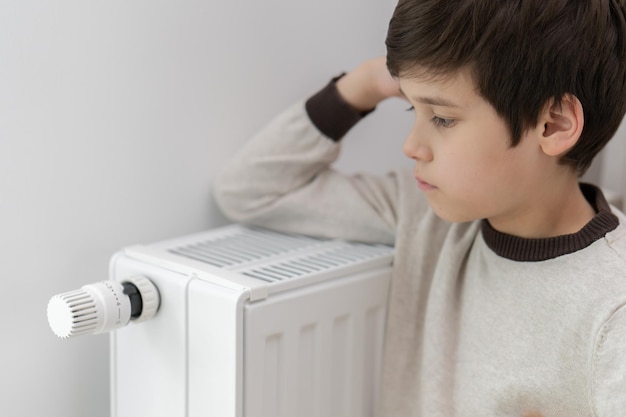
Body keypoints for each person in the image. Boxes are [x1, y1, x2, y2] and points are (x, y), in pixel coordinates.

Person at [214, 0, 626, 415]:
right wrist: (364, 85)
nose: (411, 146)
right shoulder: (427, 217)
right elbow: (251, 190)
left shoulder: (613, 309)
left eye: (443, 119)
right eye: (413, 108)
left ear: (552, 124)